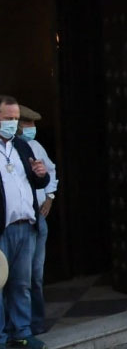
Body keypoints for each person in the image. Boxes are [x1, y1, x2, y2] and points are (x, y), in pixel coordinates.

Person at [0, 96, 50, 349]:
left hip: (26, 226)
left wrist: (42, 175)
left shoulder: (22, 146)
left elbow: (37, 181)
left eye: (15, 119)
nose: (14, 124)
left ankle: (21, 332)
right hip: (2, 229)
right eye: (8, 119)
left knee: (22, 283)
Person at [15, 106, 58, 336]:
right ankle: (18, 328)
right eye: (26, 124)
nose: (31, 129)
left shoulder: (34, 146)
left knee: (35, 275)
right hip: (15, 222)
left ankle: (36, 322)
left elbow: (50, 172)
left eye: (32, 124)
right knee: (18, 279)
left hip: (37, 218)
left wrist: (50, 197)